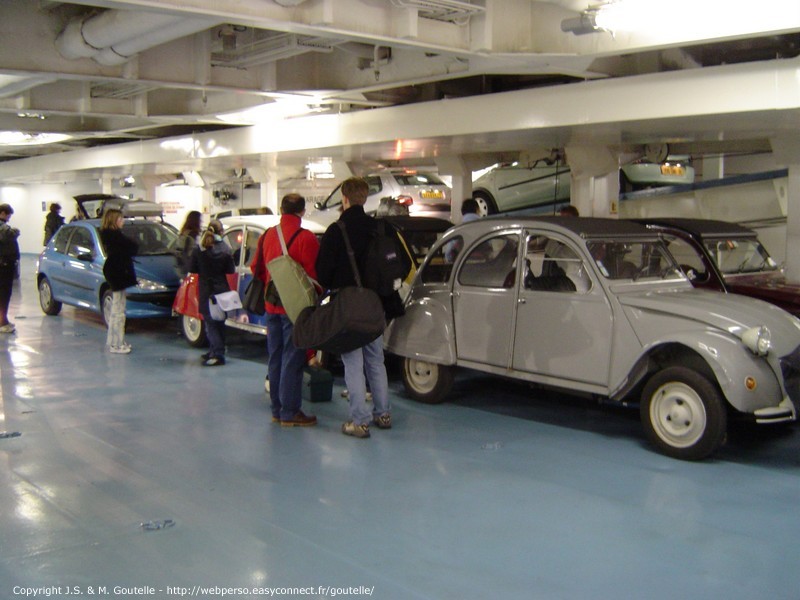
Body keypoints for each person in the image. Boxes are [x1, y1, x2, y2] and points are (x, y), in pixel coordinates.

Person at [316, 177, 410, 439]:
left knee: (353, 361)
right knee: (375, 360)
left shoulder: (337, 230)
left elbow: (323, 273)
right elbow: (400, 264)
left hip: (349, 304)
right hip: (377, 303)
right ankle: (383, 413)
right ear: (365, 197)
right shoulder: (381, 227)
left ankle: (359, 421)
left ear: (344, 198)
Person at [252, 193, 319, 427]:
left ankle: (276, 409)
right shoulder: (307, 238)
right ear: (302, 211)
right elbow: (314, 275)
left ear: (281, 209)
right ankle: (290, 412)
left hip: (271, 305)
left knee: (275, 356)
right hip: (295, 309)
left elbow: (256, 268)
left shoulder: (267, 236)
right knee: (293, 358)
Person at [189, 220, 235, 367]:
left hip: (206, 290)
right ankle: (216, 350)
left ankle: (217, 353)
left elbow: (192, 268)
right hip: (222, 289)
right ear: (221, 232)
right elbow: (231, 270)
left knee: (210, 323)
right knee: (220, 321)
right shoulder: (226, 249)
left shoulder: (200, 250)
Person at [99, 209, 138, 353]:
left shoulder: (112, 236)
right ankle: (116, 343)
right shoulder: (114, 237)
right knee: (118, 310)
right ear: (114, 220)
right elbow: (132, 247)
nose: (123, 222)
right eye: (120, 219)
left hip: (116, 272)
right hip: (117, 273)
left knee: (119, 308)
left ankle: (115, 341)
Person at [0, 204, 20, 334]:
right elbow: (7, 234)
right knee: (4, 294)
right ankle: (2, 322)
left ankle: (3, 320)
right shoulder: (2, 227)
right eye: (8, 215)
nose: (8, 218)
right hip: (4, 265)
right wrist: (16, 231)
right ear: (2, 213)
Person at [444, 197, 482, 263]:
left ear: (462, 212)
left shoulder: (454, 231)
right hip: (483, 267)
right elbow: (490, 251)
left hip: (460, 269)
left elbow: (448, 256)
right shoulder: (485, 228)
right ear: (477, 210)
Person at [175, 210, 202, 277]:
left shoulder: (184, 233)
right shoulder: (193, 235)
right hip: (190, 268)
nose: (201, 222)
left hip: (181, 267)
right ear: (196, 221)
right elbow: (193, 252)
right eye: (200, 220)